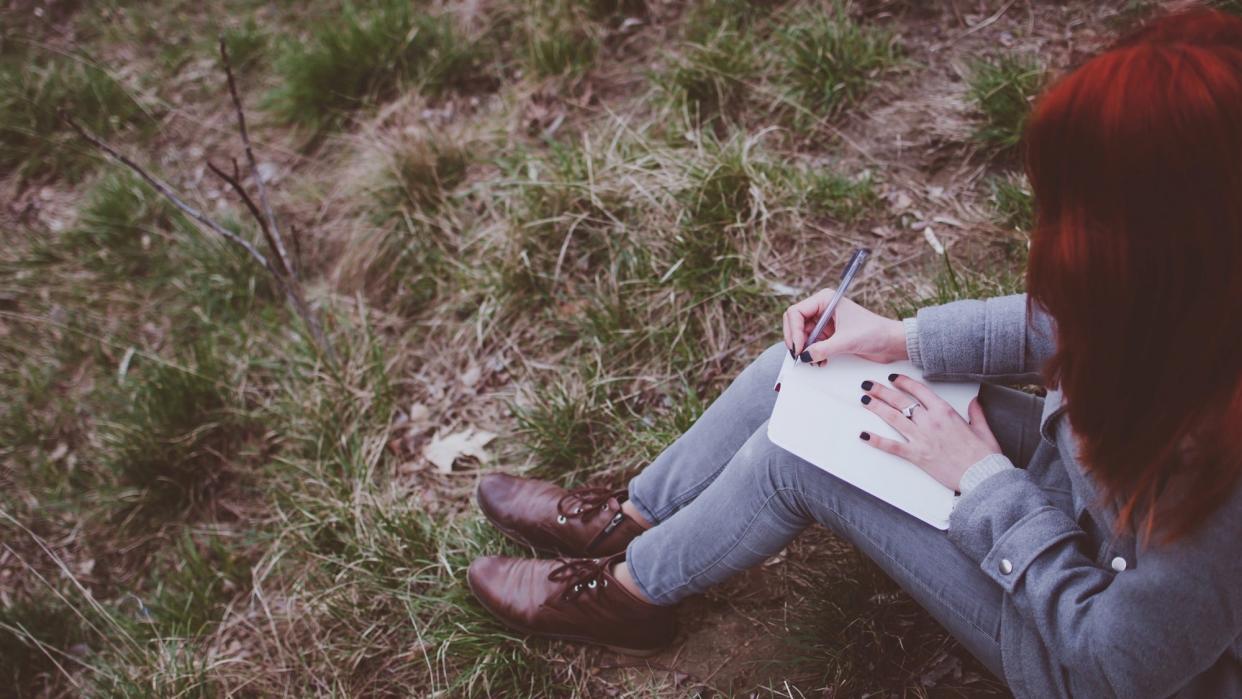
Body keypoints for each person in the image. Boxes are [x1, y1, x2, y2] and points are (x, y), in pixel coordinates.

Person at [465, 7, 1242, 697]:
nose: (1052, 236)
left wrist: (984, 485)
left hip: (1070, 648)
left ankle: (630, 595)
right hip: (1063, 500)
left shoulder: (1226, 484)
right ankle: (635, 517)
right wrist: (902, 337)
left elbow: (1116, 665)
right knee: (808, 369)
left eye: (1082, 218)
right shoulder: (1196, 294)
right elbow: (1073, 320)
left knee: (802, 457)